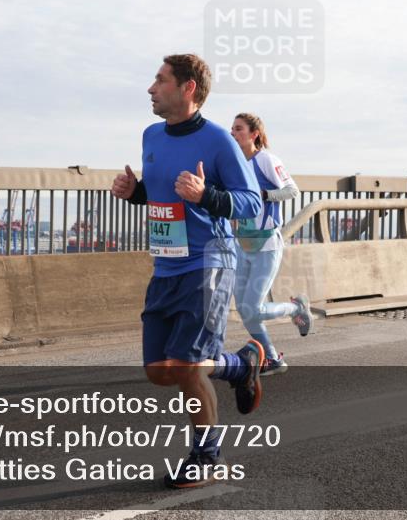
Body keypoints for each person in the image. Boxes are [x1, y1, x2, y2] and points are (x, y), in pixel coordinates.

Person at [112, 54, 265, 489]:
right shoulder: (151, 135)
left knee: (185, 365)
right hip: (166, 264)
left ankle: (206, 454)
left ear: (187, 89)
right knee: (159, 370)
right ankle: (239, 365)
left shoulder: (218, 141)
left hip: (209, 260)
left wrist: (207, 196)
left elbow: (251, 202)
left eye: (159, 80)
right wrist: (135, 192)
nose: (150, 88)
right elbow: (164, 193)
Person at [230, 113, 312, 376]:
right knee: (244, 309)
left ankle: (297, 308)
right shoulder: (234, 164)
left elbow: (292, 190)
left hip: (266, 244)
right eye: (232, 129)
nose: (233, 133)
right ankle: (274, 359)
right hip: (242, 245)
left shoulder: (265, 159)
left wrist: (264, 195)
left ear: (254, 134)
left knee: (253, 307)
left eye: (239, 129)